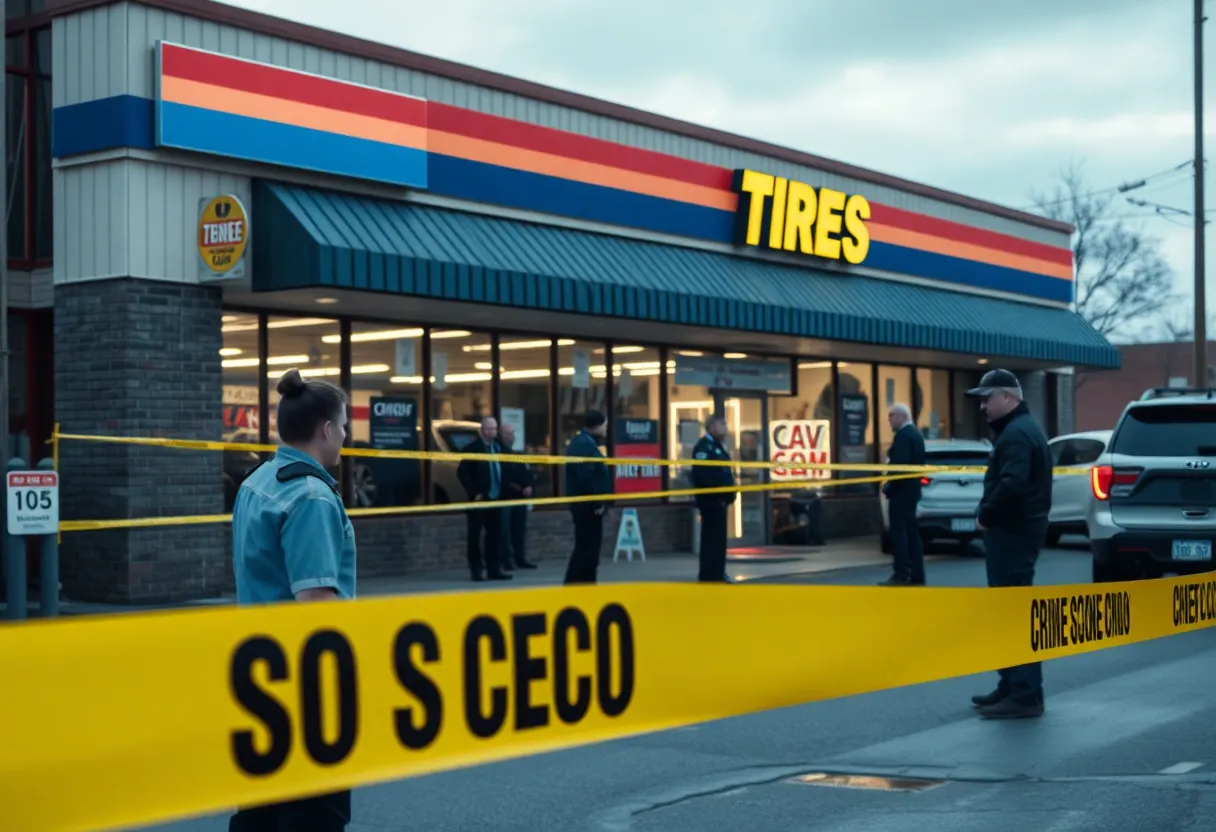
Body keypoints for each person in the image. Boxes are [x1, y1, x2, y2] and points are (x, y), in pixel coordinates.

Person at [228, 368, 356, 832]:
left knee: (259, 811)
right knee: (315, 814)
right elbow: (317, 601)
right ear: (326, 430)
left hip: (259, 667)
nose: (344, 437)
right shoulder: (312, 497)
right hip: (307, 680)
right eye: (343, 427)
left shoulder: (259, 479)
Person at [966, 369, 1053, 720]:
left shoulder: (1017, 434)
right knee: (1008, 611)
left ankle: (1025, 693)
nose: (983, 405)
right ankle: (1011, 683)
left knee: (1014, 612)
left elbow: (1013, 484)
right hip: (1018, 533)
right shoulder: (1021, 429)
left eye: (988, 398)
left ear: (1008, 397)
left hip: (1013, 534)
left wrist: (986, 514)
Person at [456, 416, 512, 582]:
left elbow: (507, 470)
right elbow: (462, 473)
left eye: (494, 429)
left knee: (495, 534)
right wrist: (474, 493)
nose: (492, 432)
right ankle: (476, 570)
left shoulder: (499, 448)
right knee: (475, 535)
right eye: (489, 429)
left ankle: (494, 568)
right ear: (482, 430)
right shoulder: (472, 449)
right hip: (479, 499)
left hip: (496, 498)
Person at [878, 402, 927, 587]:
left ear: (900, 416)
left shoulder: (904, 436)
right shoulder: (916, 435)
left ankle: (901, 573)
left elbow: (899, 465)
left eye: (891, 416)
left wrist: (889, 487)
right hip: (911, 492)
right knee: (912, 533)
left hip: (901, 492)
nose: (889, 421)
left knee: (900, 534)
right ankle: (916, 573)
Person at [563, 410, 613, 584]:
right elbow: (586, 476)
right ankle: (577, 583)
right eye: (605, 425)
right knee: (586, 548)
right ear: (596, 426)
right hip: (586, 507)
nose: (607, 428)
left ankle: (586, 583)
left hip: (587, 505)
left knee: (590, 549)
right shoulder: (584, 445)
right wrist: (597, 502)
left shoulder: (588, 443)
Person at [689, 414, 737, 582]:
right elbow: (703, 475)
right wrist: (717, 495)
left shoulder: (717, 447)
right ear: (712, 427)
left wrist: (729, 495)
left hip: (720, 502)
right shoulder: (704, 448)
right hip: (711, 502)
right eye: (722, 424)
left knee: (719, 540)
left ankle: (718, 572)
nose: (726, 428)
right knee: (711, 539)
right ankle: (709, 575)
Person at [498, 421, 537, 571]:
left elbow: (528, 474)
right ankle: (506, 560)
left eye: (513, 433)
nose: (511, 437)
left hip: (520, 499)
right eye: (508, 434)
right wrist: (520, 488)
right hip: (507, 498)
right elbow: (503, 478)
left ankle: (520, 558)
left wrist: (529, 487)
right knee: (504, 530)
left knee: (519, 530)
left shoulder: (517, 454)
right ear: (501, 435)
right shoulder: (500, 454)